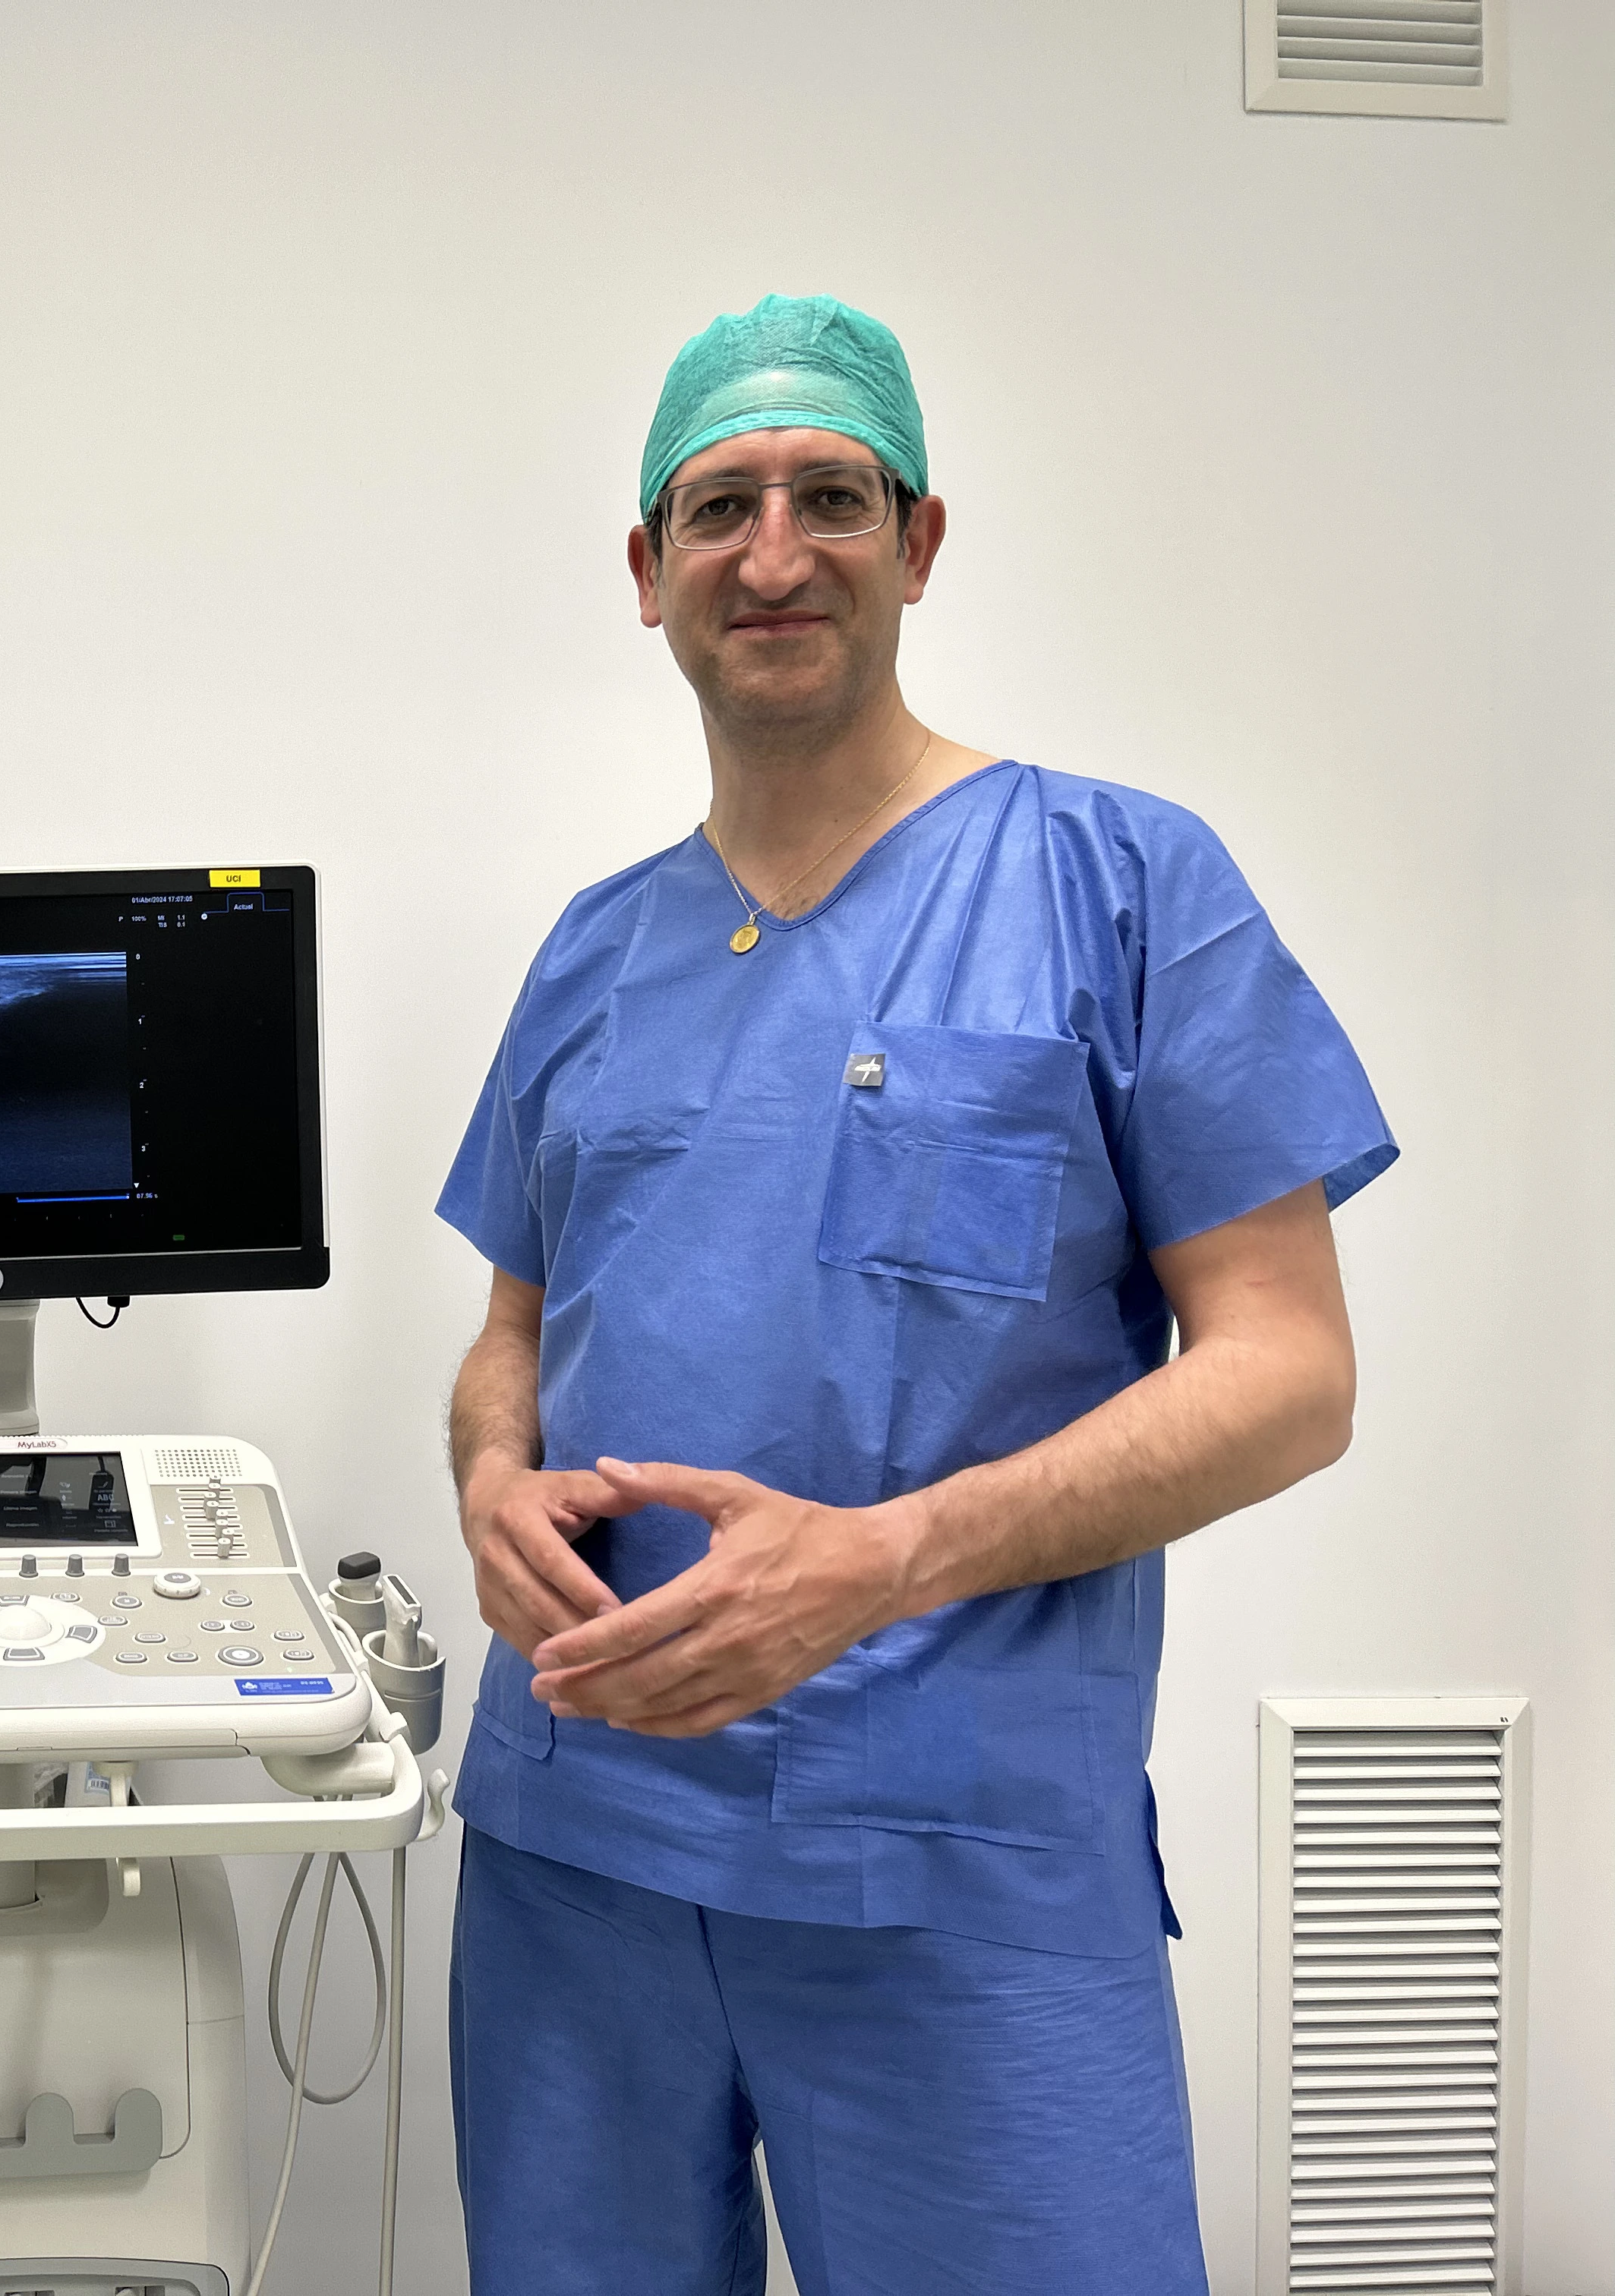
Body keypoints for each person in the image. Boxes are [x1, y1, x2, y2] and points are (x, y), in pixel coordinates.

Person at [437, 297, 1394, 2294]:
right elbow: (511, 1336)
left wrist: (883, 1559)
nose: (771, 553)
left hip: (953, 1875)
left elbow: (1293, 1372)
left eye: (829, 499)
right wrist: (487, 1484)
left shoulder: (1120, 885)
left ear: (920, 543)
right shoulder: (592, 956)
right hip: (581, 1851)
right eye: (718, 509)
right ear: (647, 572)